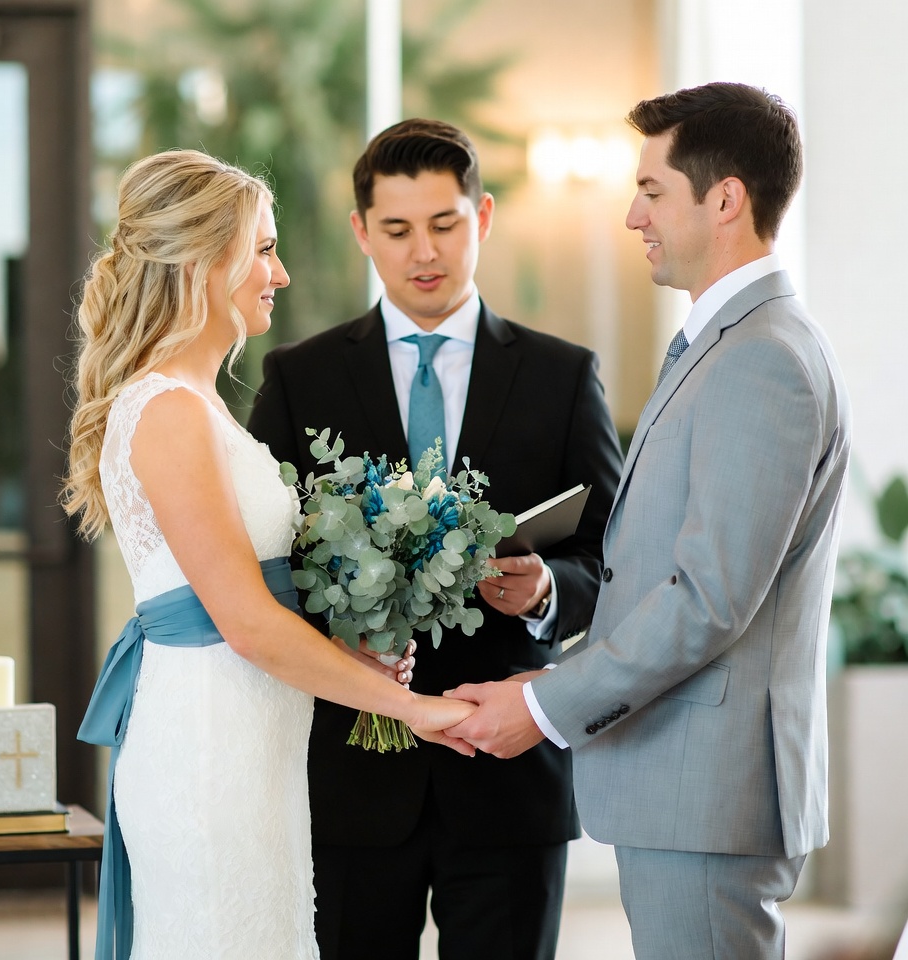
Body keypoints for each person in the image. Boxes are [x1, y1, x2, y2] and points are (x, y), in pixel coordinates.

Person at [445, 82, 852, 960]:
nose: (634, 216)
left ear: (726, 199)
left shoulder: (762, 360)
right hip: (684, 790)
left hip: (705, 795)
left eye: (653, 190)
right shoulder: (729, 344)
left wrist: (544, 704)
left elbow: (707, 599)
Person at [61, 148, 474, 960]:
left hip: (255, 744)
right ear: (201, 264)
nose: (279, 274)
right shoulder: (169, 410)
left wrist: (350, 654)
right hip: (209, 749)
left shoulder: (200, 403)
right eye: (263, 249)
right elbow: (245, 624)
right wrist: (413, 710)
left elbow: (249, 602)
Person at [248, 119, 624, 960]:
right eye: (397, 229)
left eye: (445, 224)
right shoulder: (300, 378)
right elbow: (263, 563)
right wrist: (340, 632)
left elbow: (612, 557)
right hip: (350, 777)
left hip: (508, 775)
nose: (424, 252)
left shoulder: (563, 376)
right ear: (361, 232)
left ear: (482, 217)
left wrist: (549, 591)